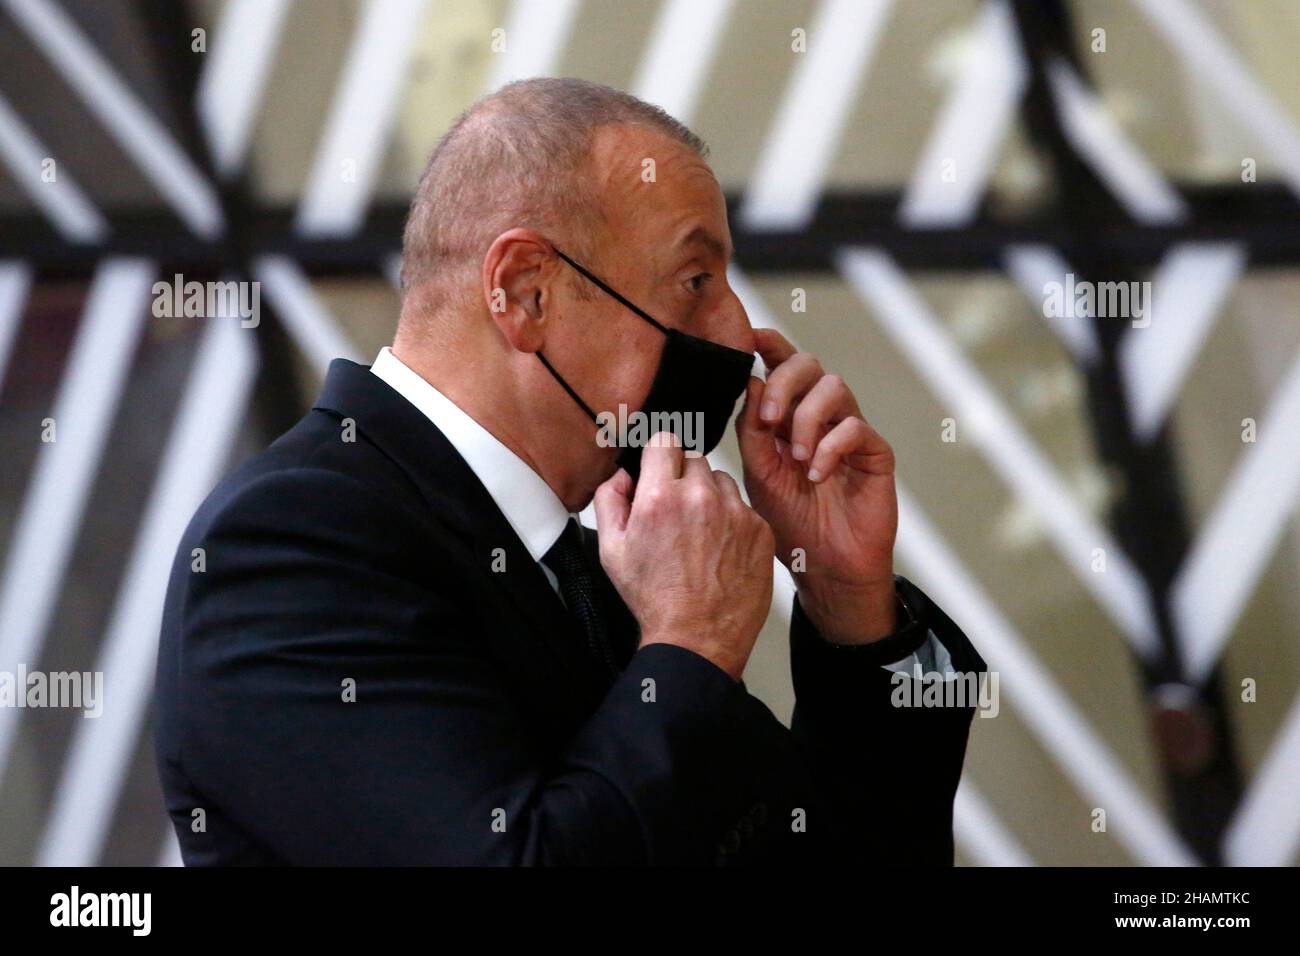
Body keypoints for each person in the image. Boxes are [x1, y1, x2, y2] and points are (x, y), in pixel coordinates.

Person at [154, 77, 985, 866]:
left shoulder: (596, 568)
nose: (737, 335)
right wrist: (688, 648)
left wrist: (849, 606)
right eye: (694, 281)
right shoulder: (291, 544)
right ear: (524, 292)